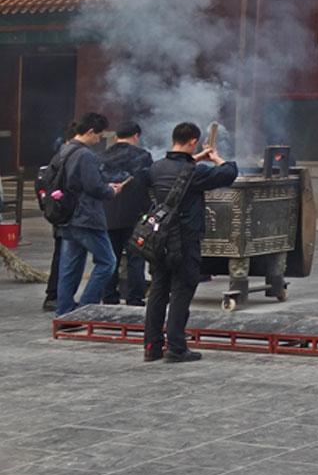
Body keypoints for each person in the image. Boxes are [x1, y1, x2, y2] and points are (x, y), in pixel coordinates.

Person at [144, 122, 237, 363]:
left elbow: (178, 171)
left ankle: (151, 346)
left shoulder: (156, 168)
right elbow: (229, 173)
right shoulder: (196, 172)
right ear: (193, 141)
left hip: (159, 239)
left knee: (158, 291)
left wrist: (196, 158)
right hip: (184, 240)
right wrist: (216, 158)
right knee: (181, 292)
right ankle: (176, 347)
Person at [54, 113, 128, 317]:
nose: (99, 140)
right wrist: (110, 191)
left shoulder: (64, 150)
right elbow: (93, 186)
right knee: (107, 262)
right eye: (98, 136)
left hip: (67, 216)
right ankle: (86, 308)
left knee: (70, 267)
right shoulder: (85, 154)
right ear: (89, 132)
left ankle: (64, 312)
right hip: (86, 217)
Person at [101, 121, 153, 305]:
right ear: (136, 136)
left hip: (107, 214)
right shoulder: (143, 156)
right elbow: (149, 181)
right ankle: (135, 298)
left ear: (116, 137)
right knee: (136, 258)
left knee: (110, 258)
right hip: (135, 215)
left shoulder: (103, 156)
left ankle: (108, 296)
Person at [43, 119, 78, 311]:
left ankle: (54, 295)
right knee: (65, 257)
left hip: (58, 213)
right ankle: (57, 296)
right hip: (65, 214)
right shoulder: (69, 156)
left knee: (61, 255)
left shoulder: (59, 156)